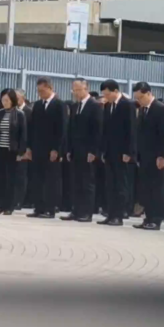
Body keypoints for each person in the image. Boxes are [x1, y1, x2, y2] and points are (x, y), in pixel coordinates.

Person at [61, 79, 103, 222]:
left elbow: (97, 130)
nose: (76, 93)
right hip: (75, 150)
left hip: (88, 150)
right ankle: (76, 210)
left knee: (87, 182)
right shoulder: (75, 106)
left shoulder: (95, 106)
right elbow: (70, 129)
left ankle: (86, 212)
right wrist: (68, 149)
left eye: (78, 90)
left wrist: (94, 151)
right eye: (74, 90)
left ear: (86, 89)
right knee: (76, 181)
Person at [26, 77, 67, 219]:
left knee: (51, 180)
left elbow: (62, 129)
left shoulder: (59, 105)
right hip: (37, 148)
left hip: (51, 149)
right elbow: (32, 127)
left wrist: (56, 149)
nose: (40, 94)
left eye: (42, 91)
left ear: (50, 88)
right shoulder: (37, 105)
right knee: (37, 178)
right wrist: (29, 147)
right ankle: (39, 207)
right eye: (38, 91)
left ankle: (50, 208)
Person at [133, 82, 164, 231]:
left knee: (157, 188)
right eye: (137, 98)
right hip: (145, 156)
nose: (139, 100)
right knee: (146, 188)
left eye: (141, 97)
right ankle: (148, 217)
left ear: (149, 93)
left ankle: (156, 219)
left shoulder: (161, 109)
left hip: (157, 156)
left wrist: (162, 156)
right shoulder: (143, 109)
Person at [99, 79, 137, 226]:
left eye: (107, 94)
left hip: (122, 152)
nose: (106, 97)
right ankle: (110, 213)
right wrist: (103, 150)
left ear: (115, 91)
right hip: (110, 151)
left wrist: (129, 152)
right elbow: (105, 129)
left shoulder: (127, 105)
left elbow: (131, 130)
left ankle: (119, 215)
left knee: (121, 184)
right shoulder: (108, 106)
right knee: (110, 184)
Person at [0, 88, 26, 215]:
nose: (4, 102)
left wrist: (21, 152)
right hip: (0, 149)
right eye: (3, 100)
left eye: (7, 100)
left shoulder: (20, 114)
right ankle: (1, 205)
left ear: (12, 100)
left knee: (11, 179)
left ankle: (9, 206)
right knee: (0, 179)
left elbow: (23, 135)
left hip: (12, 151)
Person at [14, 88, 32, 209]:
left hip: (24, 149)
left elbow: (31, 132)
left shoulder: (28, 112)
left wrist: (27, 149)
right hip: (12, 148)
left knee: (21, 176)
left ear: (23, 98)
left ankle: (20, 201)